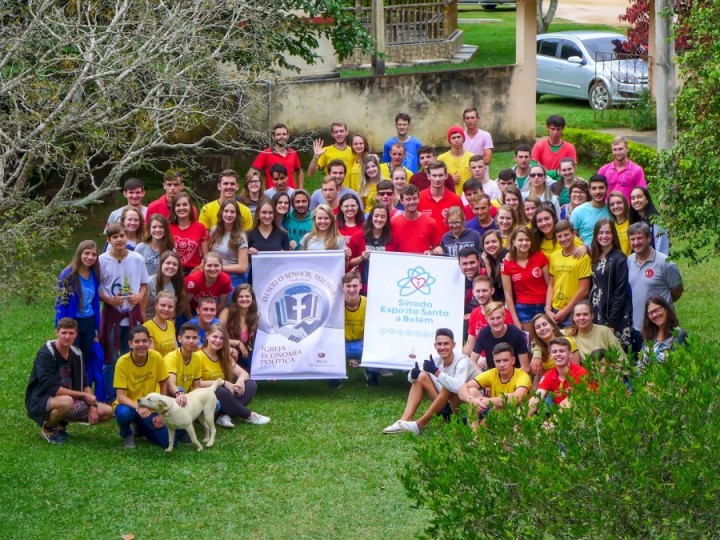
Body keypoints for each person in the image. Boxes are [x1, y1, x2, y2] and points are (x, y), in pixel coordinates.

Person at [25, 318, 114, 444]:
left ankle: (60, 423)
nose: (67, 337)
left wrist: (93, 405)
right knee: (66, 401)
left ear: (76, 334)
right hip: (41, 400)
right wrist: (84, 395)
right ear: (57, 333)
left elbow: (84, 382)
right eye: (64, 333)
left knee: (107, 411)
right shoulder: (46, 354)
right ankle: (48, 428)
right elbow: (53, 389)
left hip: (69, 400)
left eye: (71, 333)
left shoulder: (77, 353)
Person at [383, 328, 478, 434]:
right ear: (435, 345)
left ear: (453, 345)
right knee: (421, 376)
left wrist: (436, 372)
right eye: (439, 344)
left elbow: (458, 387)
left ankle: (419, 424)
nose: (442, 347)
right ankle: (404, 420)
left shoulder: (462, 361)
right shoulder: (435, 359)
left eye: (446, 344)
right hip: (445, 406)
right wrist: (413, 375)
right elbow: (413, 374)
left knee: (448, 386)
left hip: (465, 411)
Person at [99, 224, 149, 402]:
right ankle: (111, 397)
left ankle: (130, 394)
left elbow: (144, 283)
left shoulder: (137, 258)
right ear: (108, 240)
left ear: (126, 237)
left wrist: (139, 297)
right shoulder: (102, 260)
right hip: (112, 316)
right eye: (114, 237)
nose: (119, 240)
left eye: (121, 236)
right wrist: (110, 300)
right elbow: (96, 288)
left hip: (131, 315)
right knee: (110, 358)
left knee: (130, 356)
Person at [113, 325, 183, 449]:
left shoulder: (156, 357)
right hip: (130, 405)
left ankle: (141, 429)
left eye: (145, 341)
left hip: (152, 405)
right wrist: (138, 407)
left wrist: (161, 413)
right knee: (123, 413)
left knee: (169, 442)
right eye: (137, 341)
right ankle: (127, 434)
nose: (141, 344)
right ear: (130, 343)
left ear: (150, 342)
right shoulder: (122, 363)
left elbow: (164, 385)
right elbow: (120, 396)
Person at [627, 221, 683, 354]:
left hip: (660, 327)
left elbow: (677, 290)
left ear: (649, 238)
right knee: (642, 367)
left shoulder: (665, 263)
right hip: (638, 327)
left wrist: (663, 304)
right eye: (632, 239)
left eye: (640, 238)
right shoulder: (630, 261)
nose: (636, 242)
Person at [199, 323, 270, 428]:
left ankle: (224, 415)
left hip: (226, 396)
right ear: (207, 336)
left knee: (251, 384)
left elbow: (244, 373)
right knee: (219, 390)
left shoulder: (223, 356)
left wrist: (240, 380)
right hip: (208, 401)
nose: (218, 341)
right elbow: (197, 383)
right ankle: (249, 415)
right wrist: (223, 383)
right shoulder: (198, 356)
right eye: (215, 336)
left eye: (222, 338)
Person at [459, 343, 531, 424]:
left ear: (513, 360)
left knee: (501, 404)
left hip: (518, 414)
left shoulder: (522, 376)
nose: (502, 364)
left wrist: (487, 401)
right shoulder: (492, 373)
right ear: (494, 361)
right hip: (494, 413)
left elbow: (516, 398)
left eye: (505, 360)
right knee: (472, 391)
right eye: (498, 361)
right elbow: (462, 388)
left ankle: (480, 432)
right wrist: (471, 399)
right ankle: (473, 431)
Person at [590, 219, 632, 350]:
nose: (604, 236)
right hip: (597, 310)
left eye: (608, 232)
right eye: (601, 233)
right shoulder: (596, 256)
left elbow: (620, 292)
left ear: (613, 235)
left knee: (615, 353)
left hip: (614, 313)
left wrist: (612, 322)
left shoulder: (619, 258)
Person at [56, 240, 101, 362]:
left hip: (89, 322)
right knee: (72, 355)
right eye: (87, 253)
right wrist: (60, 325)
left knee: (85, 356)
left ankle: (82, 380)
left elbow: (95, 301)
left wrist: (98, 326)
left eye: (94, 254)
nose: (90, 257)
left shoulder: (94, 274)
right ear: (80, 253)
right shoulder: (68, 275)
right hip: (73, 321)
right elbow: (61, 302)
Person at [501, 227, 550, 332]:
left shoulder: (540, 257)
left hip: (544, 305)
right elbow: (508, 295)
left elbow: (550, 285)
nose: (524, 243)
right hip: (524, 309)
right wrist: (515, 320)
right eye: (520, 240)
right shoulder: (507, 263)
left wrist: (548, 307)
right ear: (513, 242)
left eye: (527, 240)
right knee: (529, 343)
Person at [527, 337, 589, 417]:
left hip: (585, 416)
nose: (558, 354)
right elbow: (536, 398)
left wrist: (550, 424)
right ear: (551, 356)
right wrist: (517, 419)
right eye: (554, 352)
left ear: (570, 354)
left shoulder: (580, 372)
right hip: (563, 417)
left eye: (562, 351)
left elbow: (571, 402)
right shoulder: (548, 375)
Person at [547, 220, 591, 326]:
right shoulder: (554, 256)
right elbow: (551, 285)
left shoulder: (582, 257)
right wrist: (548, 308)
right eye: (560, 236)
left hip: (573, 310)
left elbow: (584, 290)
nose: (563, 239)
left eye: (566, 235)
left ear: (574, 234)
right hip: (555, 310)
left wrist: (566, 311)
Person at [341, 271, 381, 385]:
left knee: (376, 343)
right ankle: (335, 375)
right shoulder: (336, 304)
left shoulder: (369, 303)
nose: (352, 290)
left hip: (363, 343)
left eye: (355, 286)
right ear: (343, 287)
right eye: (348, 286)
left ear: (360, 286)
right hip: (341, 344)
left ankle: (372, 372)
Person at [347, 203, 397, 292]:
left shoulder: (393, 238)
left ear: (387, 219)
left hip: (385, 286)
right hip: (363, 285)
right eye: (376, 216)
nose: (379, 219)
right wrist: (361, 258)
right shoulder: (358, 236)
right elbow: (349, 263)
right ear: (371, 217)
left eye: (383, 216)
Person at [470, 302, 530, 372]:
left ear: (504, 317)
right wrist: (482, 378)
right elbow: (472, 361)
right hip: (493, 375)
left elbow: (525, 367)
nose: (496, 322)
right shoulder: (484, 333)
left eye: (498, 318)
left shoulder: (516, 333)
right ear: (487, 319)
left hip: (514, 375)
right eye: (492, 319)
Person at [566, 301, 625, 370]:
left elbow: (621, 359)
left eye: (585, 314)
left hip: (609, 376)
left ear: (592, 316)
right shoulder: (569, 334)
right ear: (573, 318)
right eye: (578, 315)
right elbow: (553, 331)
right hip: (586, 378)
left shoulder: (604, 331)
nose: (581, 318)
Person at [464, 275, 513, 355]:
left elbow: (510, 343)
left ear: (492, 291)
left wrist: (489, 359)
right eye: (478, 291)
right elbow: (470, 344)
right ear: (473, 292)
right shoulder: (474, 313)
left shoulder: (503, 312)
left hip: (498, 360)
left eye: (484, 290)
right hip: (477, 359)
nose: (481, 294)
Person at [208, 199, 249, 290]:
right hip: (213, 276)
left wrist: (219, 268)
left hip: (233, 279)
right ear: (221, 213)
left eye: (232, 212)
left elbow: (243, 267)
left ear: (236, 215)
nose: (229, 214)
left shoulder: (240, 236)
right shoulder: (214, 230)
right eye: (226, 211)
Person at [529, 313, 580, 383]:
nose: (542, 328)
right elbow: (543, 378)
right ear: (536, 333)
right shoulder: (539, 350)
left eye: (544, 324)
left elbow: (576, 370)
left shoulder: (567, 342)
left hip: (571, 383)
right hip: (551, 387)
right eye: (538, 327)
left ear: (552, 326)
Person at [219, 284, 259, 372]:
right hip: (226, 349)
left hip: (245, 353)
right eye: (240, 296)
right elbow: (216, 337)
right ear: (235, 299)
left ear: (252, 299)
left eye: (247, 296)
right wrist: (238, 343)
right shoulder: (226, 313)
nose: (244, 299)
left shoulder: (255, 317)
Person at [251, 122, 304, 189]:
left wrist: (300, 189)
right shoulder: (266, 153)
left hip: (290, 195)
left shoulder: (293, 153)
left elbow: (299, 171)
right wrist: (261, 190)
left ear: (288, 136)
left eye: (284, 134)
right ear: (273, 137)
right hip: (273, 196)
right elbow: (252, 173)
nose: (282, 137)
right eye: (278, 134)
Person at [391, 184, 441, 254]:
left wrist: (432, 252)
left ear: (419, 198)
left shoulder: (431, 223)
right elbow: (389, 250)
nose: (412, 202)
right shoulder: (393, 223)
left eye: (414, 198)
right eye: (408, 199)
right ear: (402, 201)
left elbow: (436, 249)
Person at [639, 296, 688, 368]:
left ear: (666, 309)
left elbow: (679, 365)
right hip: (647, 377)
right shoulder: (649, 336)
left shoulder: (678, 334)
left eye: (657, 310)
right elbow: (641, 363)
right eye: (650, 313)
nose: (655, 315)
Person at [418, 160, 464, 236]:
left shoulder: (456, 200)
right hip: (426, 246)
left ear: (446, 176)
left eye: (440, 175)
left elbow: (463, 225)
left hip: (449, 245)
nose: (437, 179)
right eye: (434, 175)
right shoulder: (419, 198)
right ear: (428, 176)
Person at [168, 192, 208, 275]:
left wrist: (197, 271)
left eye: (185, 204)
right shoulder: (167, 227)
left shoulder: (200, 227)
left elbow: (206, 257)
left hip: (194, 271)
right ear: (174, 208)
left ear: (190, 207)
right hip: (172, 270)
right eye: (178, 205)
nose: (181, 208)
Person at [598, 136, 646, 203]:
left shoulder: (637, 170)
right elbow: (596, 191)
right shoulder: (604, 170)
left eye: (620, 149)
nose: (617, 152)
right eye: (614, 150)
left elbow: (642, 193)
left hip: (629, 211)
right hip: (608, 210)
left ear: (627, 149)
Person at [143, 250, 188, 321]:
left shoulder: (176, 285)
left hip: (164, 323)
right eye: (168, 263)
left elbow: (172, 315)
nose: (171, 266)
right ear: (161, 264)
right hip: (147, 322)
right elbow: (141, 311)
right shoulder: (149, 282)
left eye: (174, 264)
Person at [163, 322, 203, 398]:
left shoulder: (197, 359)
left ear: (198, 339)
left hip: (186, 396)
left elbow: (196, 387)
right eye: (187, 337)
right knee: (180, 389)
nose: (191, 341)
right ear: (179, 338)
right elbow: (170, 384)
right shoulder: (171, 357)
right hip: (171, 396)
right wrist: (179, 394)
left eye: (194, 338)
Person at [532, 114, 577, 180]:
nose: (555, 132)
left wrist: (544, 171)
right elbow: (534, 170)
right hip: (542, 183)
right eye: (552, 129)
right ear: (547, 128)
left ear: (562, 129)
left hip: (562, 184)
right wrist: (556, 172)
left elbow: (572, 170)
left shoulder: (570, 148)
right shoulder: (538, 146)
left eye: (558, 129)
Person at [570, 174, 611, 246]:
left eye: (601, 188)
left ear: (607, 189)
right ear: (589, 190)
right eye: (594, 188)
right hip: (586, 254)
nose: (597, 191)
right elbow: (571, 237)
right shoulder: (578, 211)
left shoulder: (612, 209)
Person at [629, 187, 669, 254]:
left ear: (647, 199)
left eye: (639, 197)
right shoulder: (634, 220)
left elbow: (661, 250)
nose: (636, 200)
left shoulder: (657, 221)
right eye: (633, 198)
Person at [438, 125, 473, 195]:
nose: (456, 140)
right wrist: (449, 180)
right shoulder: (441, 159)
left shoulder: (472, 157)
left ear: (463, 139)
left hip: (468, 197)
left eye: (458, 137)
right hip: (448, 197)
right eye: (453, 138)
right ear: (449, 141)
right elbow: (436, 179)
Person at [143, 291, 178, 358]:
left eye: (170, 307)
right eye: (163, 305)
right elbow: (153, 356)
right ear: (155, 306)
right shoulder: (147, 327)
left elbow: (175, 350)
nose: (166, 309)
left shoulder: (170, 324)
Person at [479, 229, 507, 302]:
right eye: (487, 243)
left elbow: (505, 287)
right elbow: (491, 284)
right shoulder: (486, 258)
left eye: (494, 241)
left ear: (500, 242)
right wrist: (487, 264)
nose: (490, 245)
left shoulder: (506, 257)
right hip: (497, 300)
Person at [608, 191, 631, 255]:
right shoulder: (610, 226)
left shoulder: (632, 223)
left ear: (625, 203)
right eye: (612, 204)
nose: (615, 206)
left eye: (619, 203)